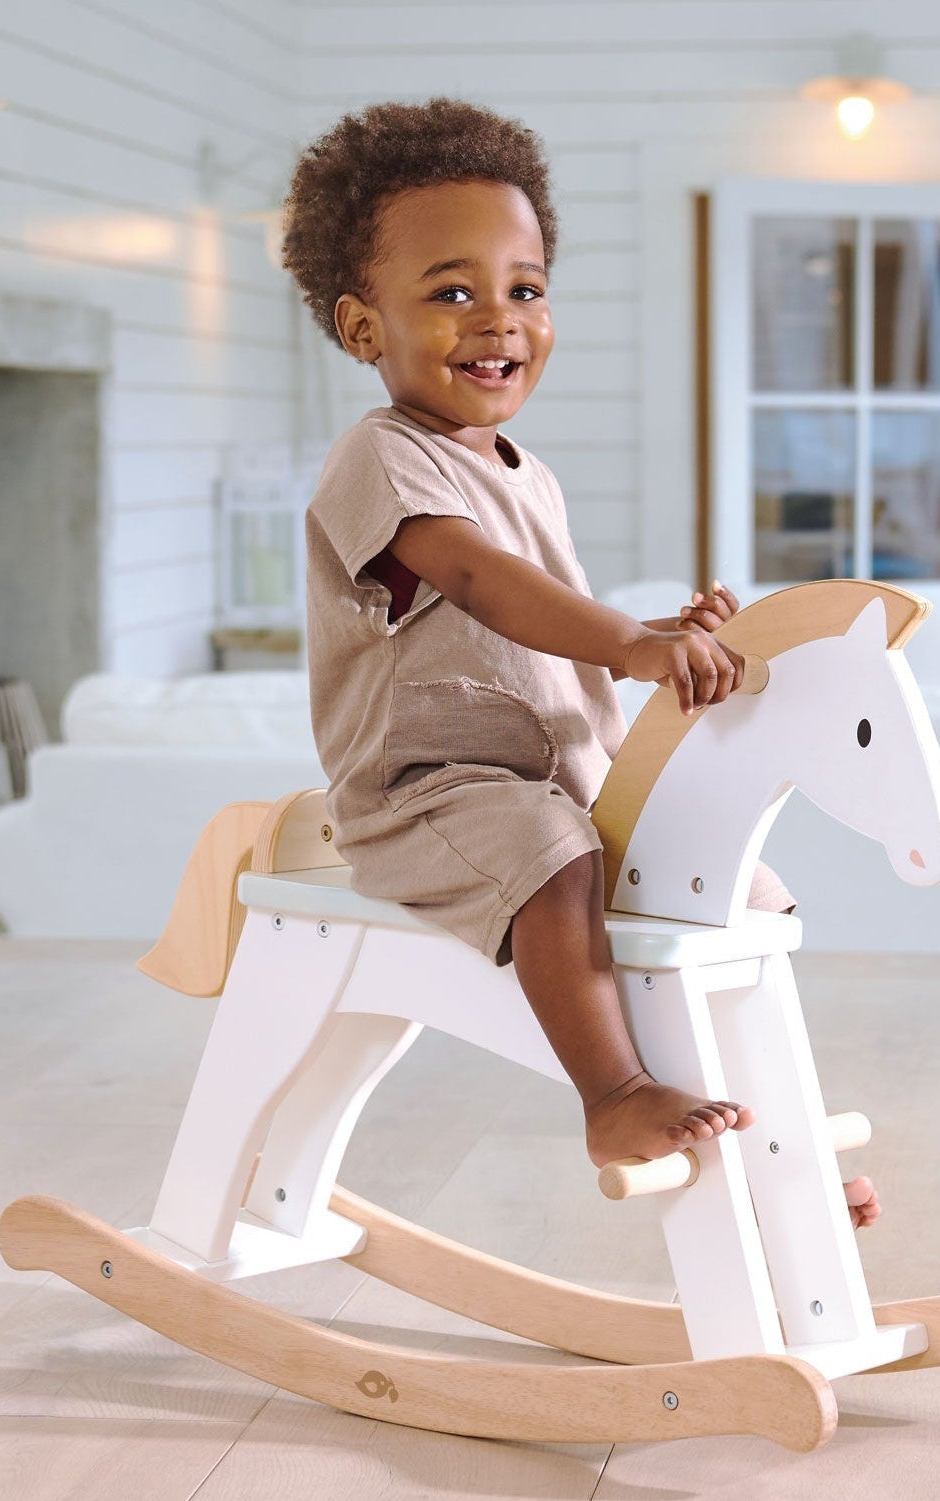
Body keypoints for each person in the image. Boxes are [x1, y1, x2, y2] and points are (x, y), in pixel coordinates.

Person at [285, 98, 879, 1229]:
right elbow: (473, 580)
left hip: (557, 770)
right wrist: (629, 639)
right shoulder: (381, 458)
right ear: (365, 330)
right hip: (434, 793)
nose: (497, 319)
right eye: (451, 291)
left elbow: (527, 627)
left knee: (727, 887)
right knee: (555, 857)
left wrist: (669, 630)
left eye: (526, 287)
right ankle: (614, 1093)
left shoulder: (526, 472)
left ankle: (771, 1129)